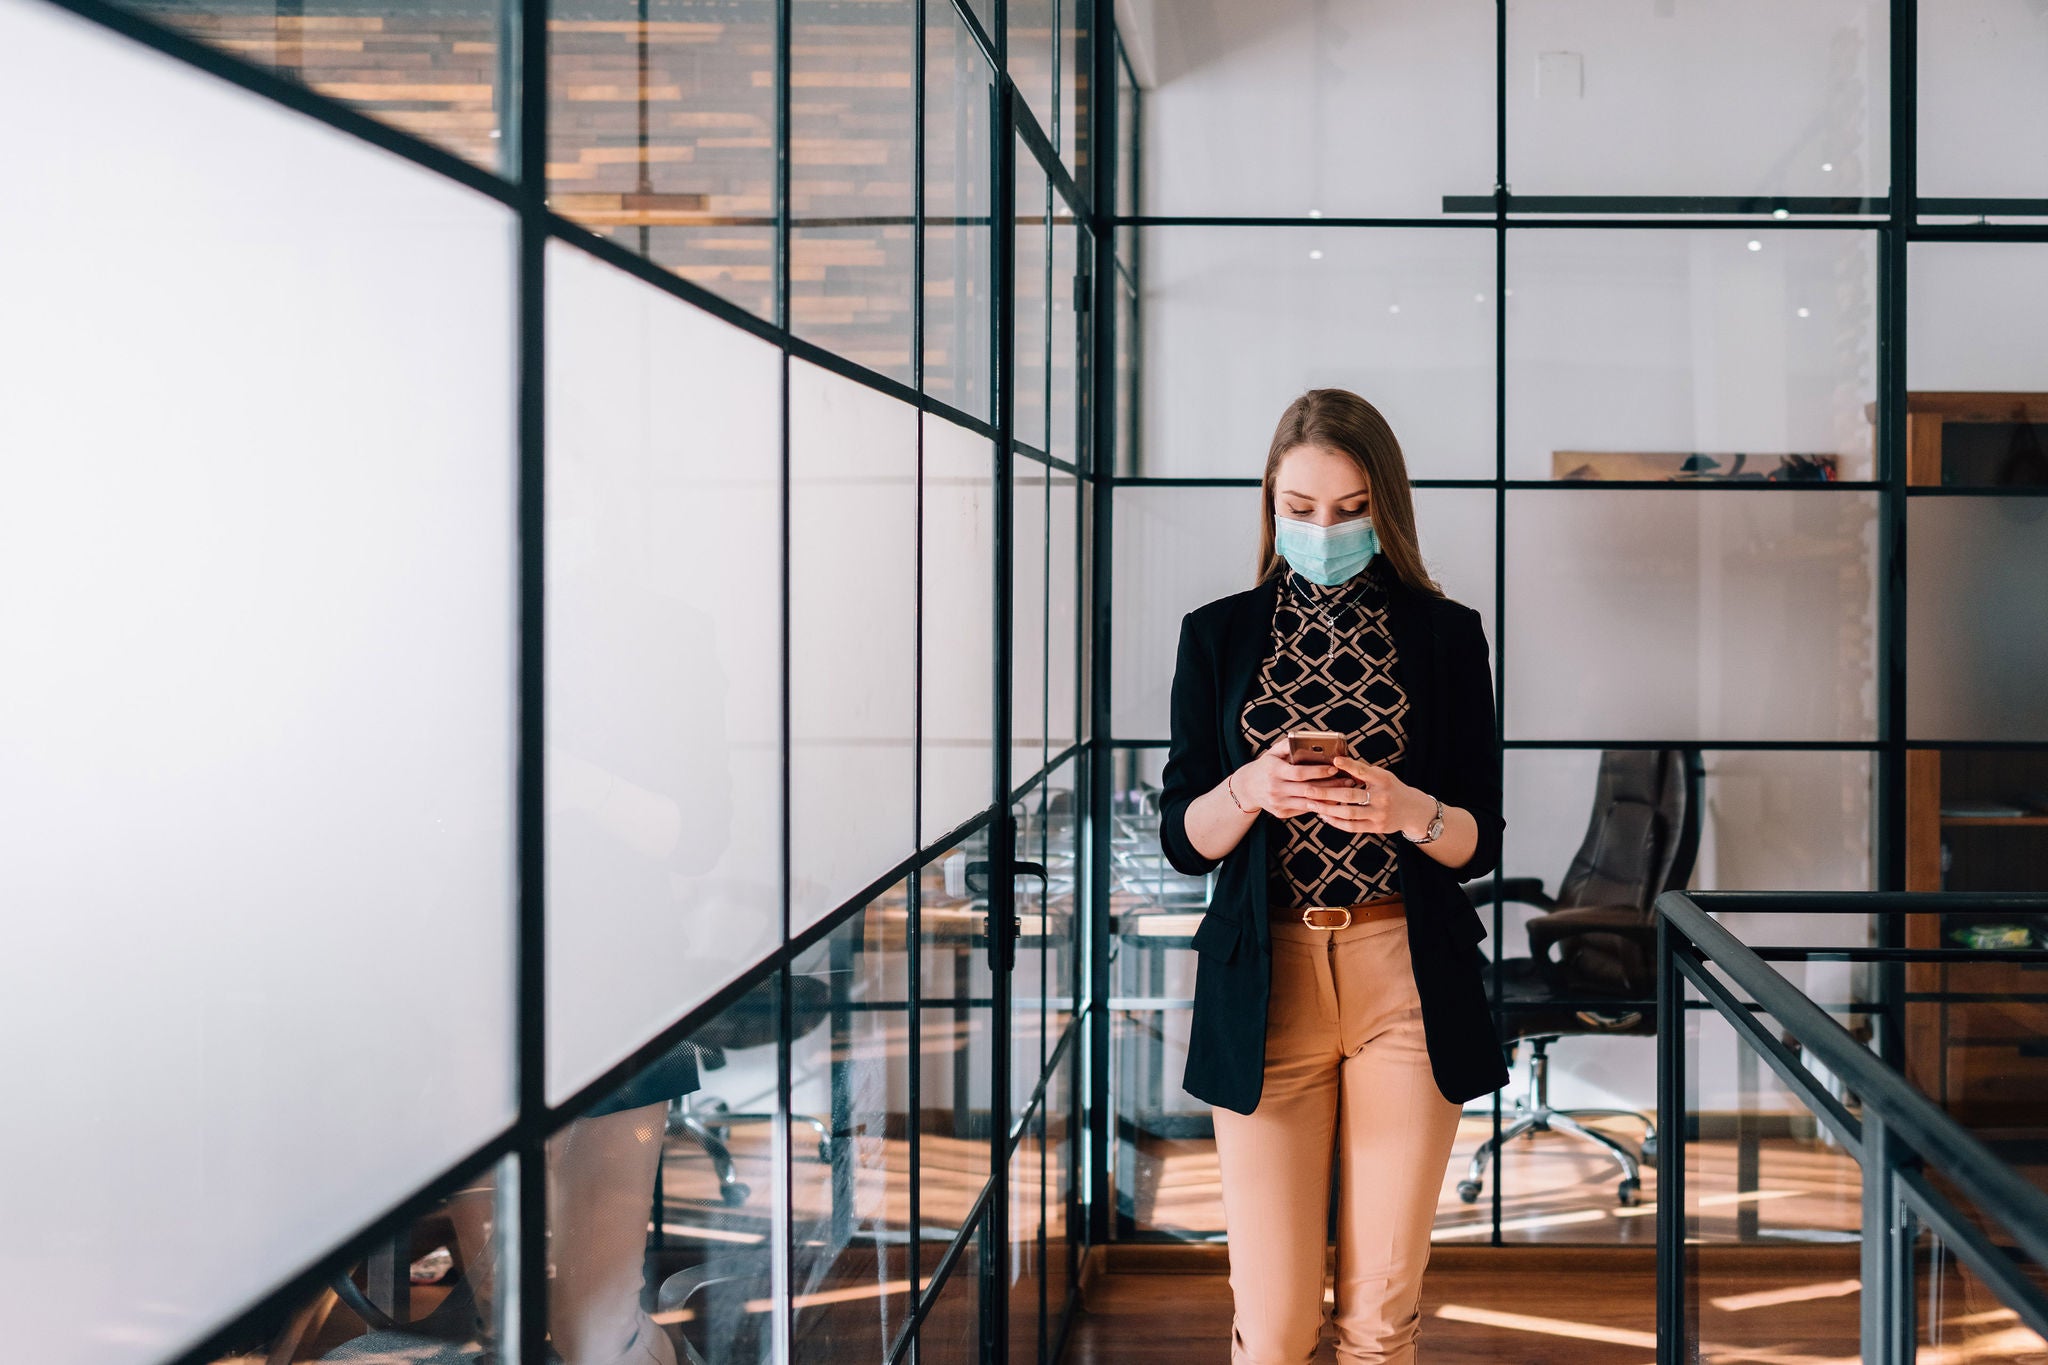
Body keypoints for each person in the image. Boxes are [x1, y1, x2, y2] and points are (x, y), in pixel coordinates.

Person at [1157, 388, 1510, 1365]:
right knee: (1271, 1329)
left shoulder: (1444, 636)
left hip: (1403, 974)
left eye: (1350, 509)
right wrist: (1251, 786)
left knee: (1376, 1320)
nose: (1322, 529)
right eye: (1301, 508)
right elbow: (1183, 839)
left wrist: (1407, 810)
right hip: (1263, 984)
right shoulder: (1215, 634)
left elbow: (1477, 840)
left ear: (1385, 509)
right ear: (1270, 505)